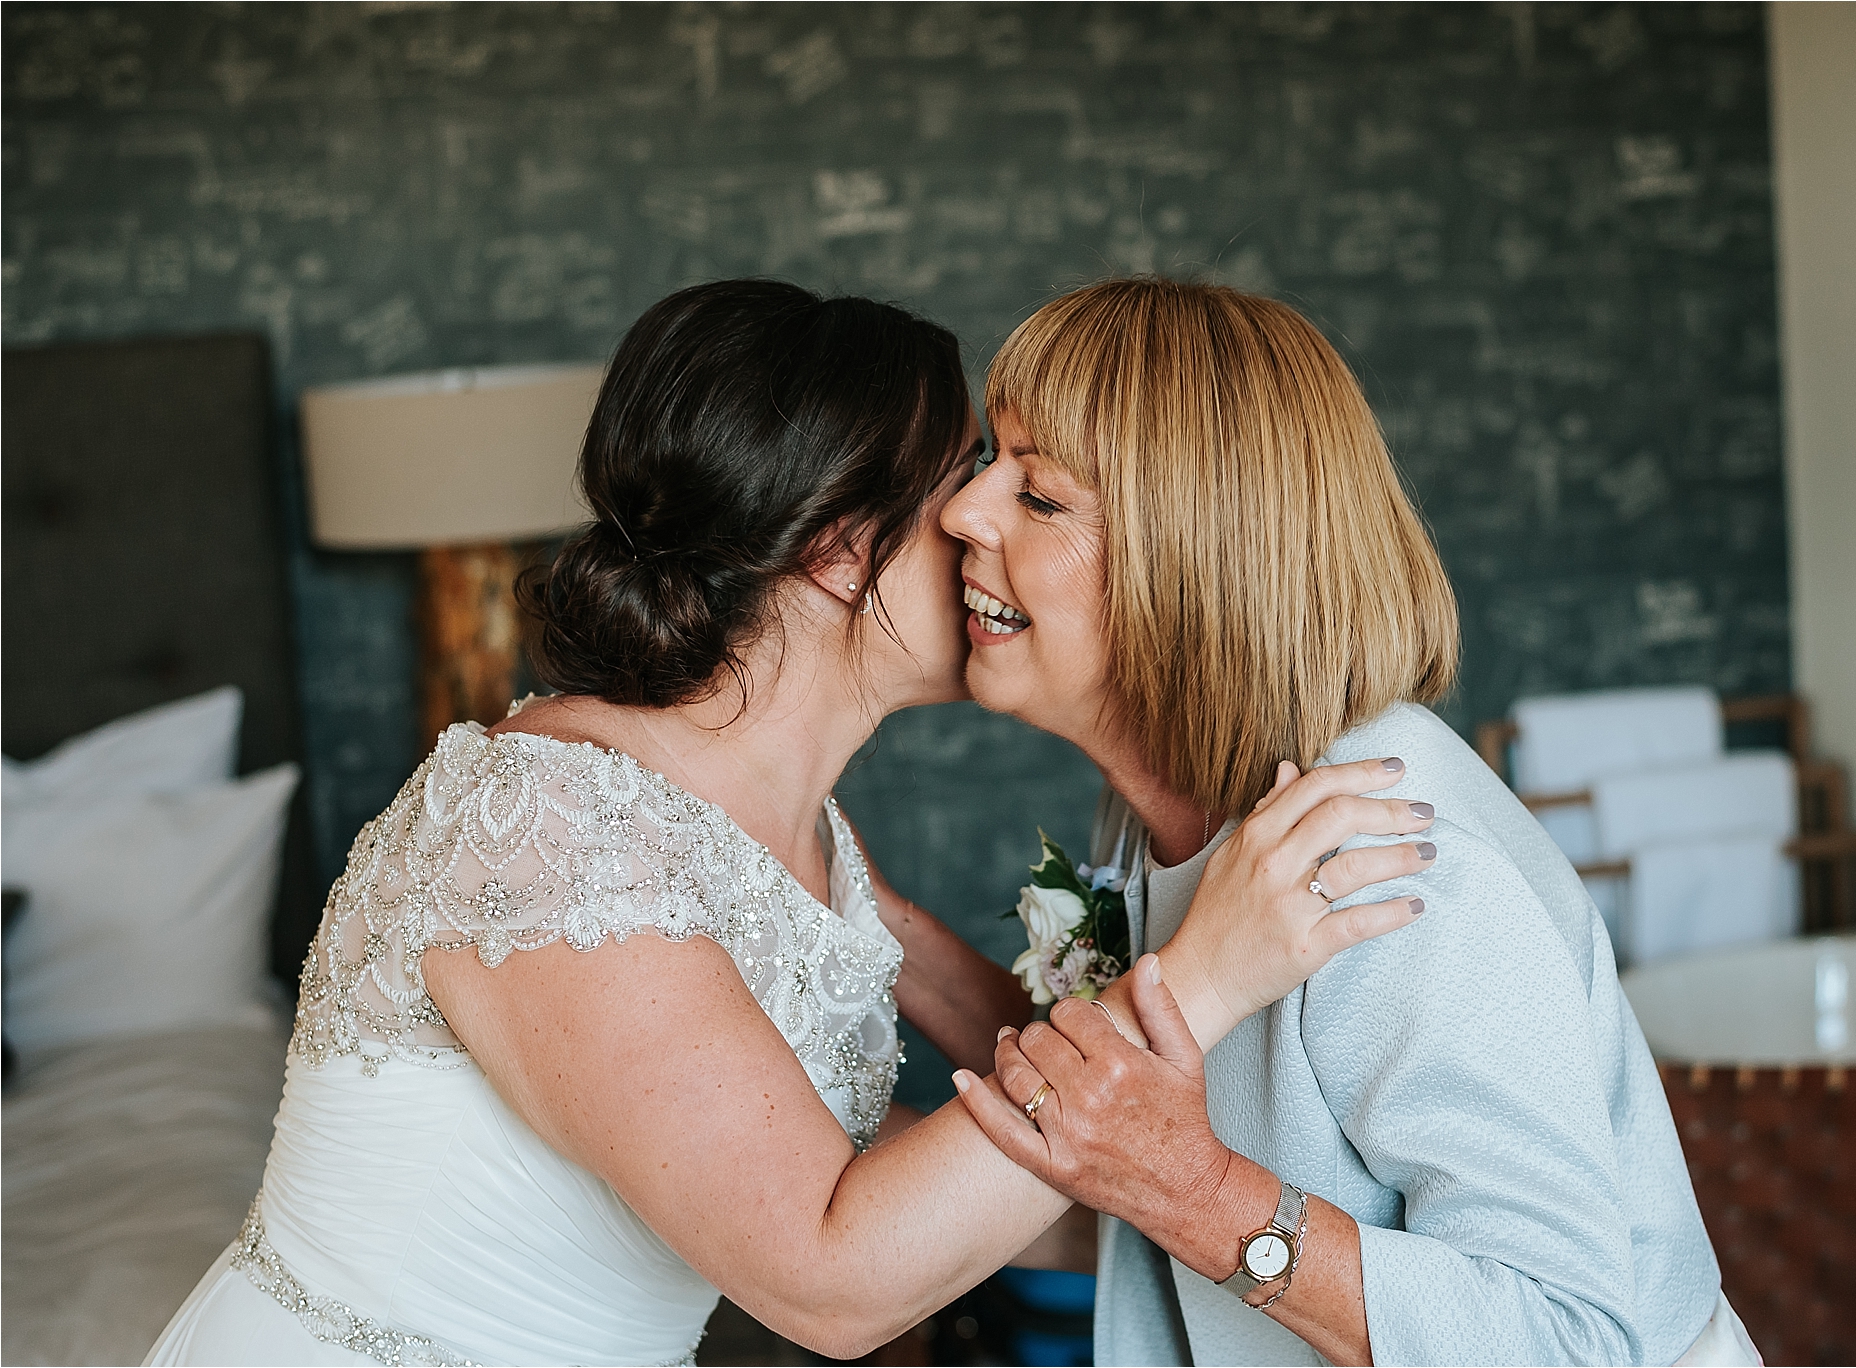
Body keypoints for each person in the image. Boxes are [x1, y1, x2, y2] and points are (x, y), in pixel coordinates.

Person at [145, 280, 1438, 1367]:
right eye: (963, 481)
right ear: (834, 546)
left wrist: (1323, 1242)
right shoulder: (543, 827)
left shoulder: (801, 835)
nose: (986, 527)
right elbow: (836, 1277)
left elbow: (935, 1195)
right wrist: (1208, 971)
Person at [946, 278, 1761, 1367]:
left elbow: (1565, 1342)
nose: (962, 511)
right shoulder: (1170, 810)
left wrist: (1191, 1189)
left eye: (1036, 495)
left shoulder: (1385, 862)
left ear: (1193, 556)